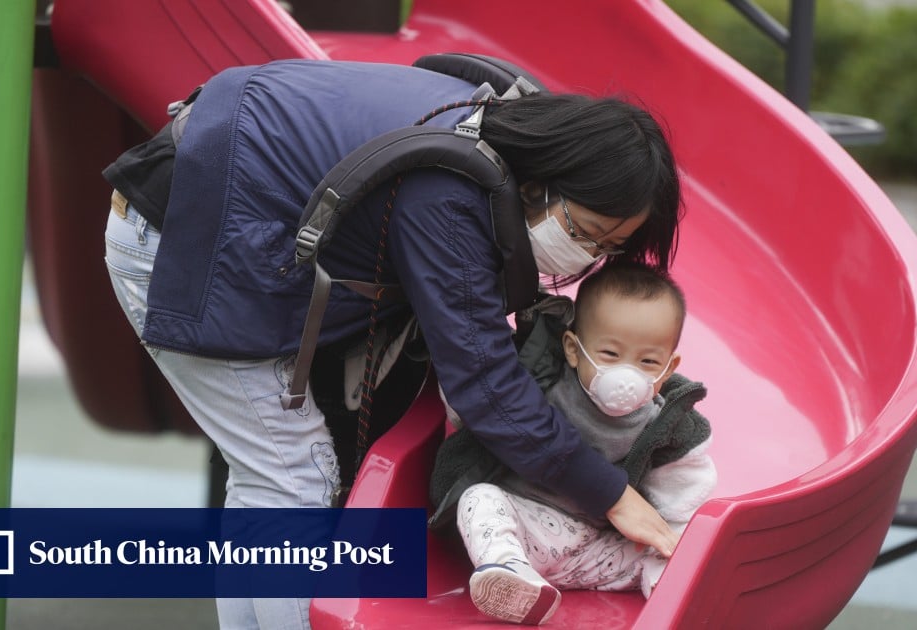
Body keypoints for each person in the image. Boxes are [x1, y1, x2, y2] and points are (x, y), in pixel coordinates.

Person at [100, 58, 680, 629]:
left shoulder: (500, 118)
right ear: (539, 185)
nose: (588, 257)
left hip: (221, 183)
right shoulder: (449, 194)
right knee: (293, 479)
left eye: (608, 248)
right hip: (181, 229)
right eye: (584, 233)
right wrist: (614, 497)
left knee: (269, 483)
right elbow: (485, 387)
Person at [430, 263, 716, 625]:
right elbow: (477, 408)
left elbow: (684, 498)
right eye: (610, 355)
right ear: (573, 349)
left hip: (595, 550)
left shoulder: (666, 426)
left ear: (669, 366)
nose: (626, 375)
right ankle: (512, 573)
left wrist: (673, 547)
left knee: (661, 548)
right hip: (524, 524)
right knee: (480, 499)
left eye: (647, 361)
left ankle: (669, 594)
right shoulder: (538, 381)